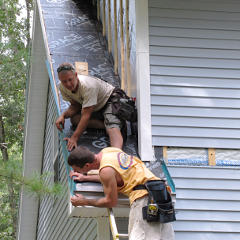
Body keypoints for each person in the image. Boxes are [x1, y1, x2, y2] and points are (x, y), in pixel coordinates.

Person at [68, 146, 175, 240]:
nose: (78, 172)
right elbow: (113, 176)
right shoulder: (109, 151)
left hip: (144, 198)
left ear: (87, 166)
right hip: (161, 193)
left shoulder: (105, 171)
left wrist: (85, 201)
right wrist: (85, 178)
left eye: (77, 170)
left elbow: (110, 201)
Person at [55, 62, 124, 151]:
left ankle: (116, 154)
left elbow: (86, 116)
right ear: (60, 80)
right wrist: (63, 116)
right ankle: (107, 124)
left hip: (110, 100)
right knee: (74, 120)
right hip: (95, 106)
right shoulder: (62, 88)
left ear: (76, 75)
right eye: (64, 81)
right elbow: (75, 106)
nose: (68, 84)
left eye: (70, 79)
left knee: (112, 128)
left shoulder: (88, 86)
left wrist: (74, 138)